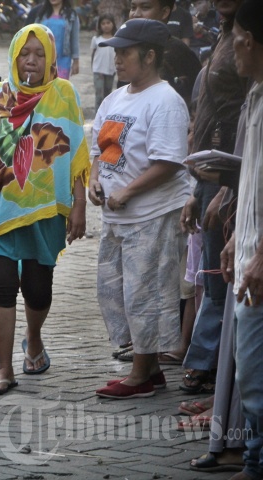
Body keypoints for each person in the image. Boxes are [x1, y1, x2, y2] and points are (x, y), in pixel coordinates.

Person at [0, 24, 89, 394]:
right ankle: (4, 370)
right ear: (14, 56)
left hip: (46, 208)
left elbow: (76, 151)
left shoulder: (63, 93)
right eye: (24, 53)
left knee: (38, 288)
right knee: (0, 287)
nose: (31, 60)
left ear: (50, 58)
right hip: (1, 206)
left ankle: (33, 339)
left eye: (39, 54)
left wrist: (79, 203)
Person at [89, 19, 191, 399]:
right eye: (115, 52)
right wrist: (94, 181)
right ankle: (148, 368)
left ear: (149, 56)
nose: (117, 59)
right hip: (116, 215)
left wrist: (128, 192)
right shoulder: (115, 98)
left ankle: (140, 376)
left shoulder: (165, 101)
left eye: (125, 52)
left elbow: (169, 162)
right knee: (114, 291)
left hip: (150, 215)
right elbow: (100, 149)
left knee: (143, 294)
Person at [179, 0, 247, 395]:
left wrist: (226, 186)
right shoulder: (222, 35)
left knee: (220, 281)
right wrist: (197, 190)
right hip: (207, 177)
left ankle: (209, 368)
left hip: (229, 177)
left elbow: (238, 120)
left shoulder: (245, 39)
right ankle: (208, 366)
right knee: (210, 273)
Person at [220, 2, 263, 478]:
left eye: (232, 37)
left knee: (253, 375)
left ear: (247, 39)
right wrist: (237, 239)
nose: (229, 47)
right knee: (248, 369)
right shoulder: (254, 95)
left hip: (261, 262)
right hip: (249, 249)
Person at [127, 0, 202, 108]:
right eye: (133, 8)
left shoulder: (177, 50)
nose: (136, 14)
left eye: (145, 8)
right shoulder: (126, 48)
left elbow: (195, 96)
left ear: (165, 12)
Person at [27, 0, 81, 79]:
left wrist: (76, 61)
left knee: (59, 87)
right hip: (43, 57)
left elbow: (74, 39)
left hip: (63, 59)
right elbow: (33, 34)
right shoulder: (41, 14)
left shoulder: (71, 15)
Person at [91, 13, 117, 112]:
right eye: (103, 23)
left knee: (108, 95)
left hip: (111, 70)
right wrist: (93, 68)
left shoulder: (116, 39)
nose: (106, 25)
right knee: (99, 95)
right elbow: (93, 54)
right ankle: (97, 116)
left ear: (113, 24)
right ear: (100, 25)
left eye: (108, 23)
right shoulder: (96, 39)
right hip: (98, 70)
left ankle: (106, 115)